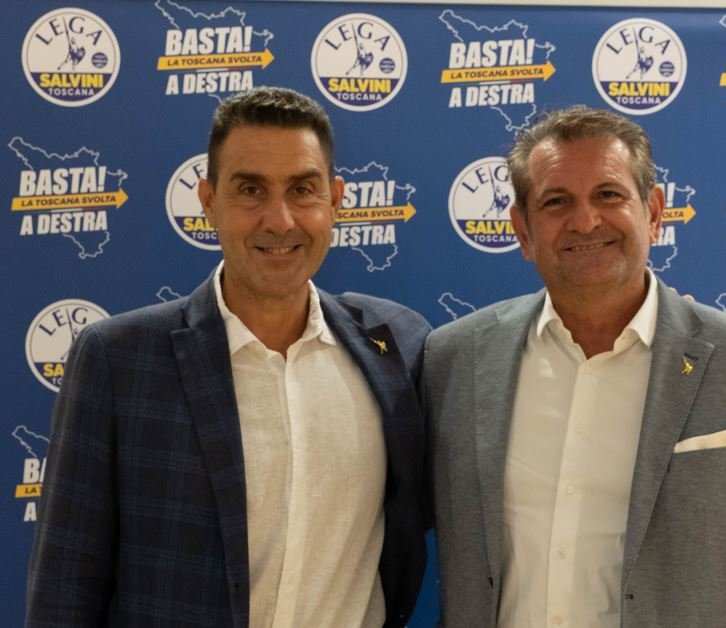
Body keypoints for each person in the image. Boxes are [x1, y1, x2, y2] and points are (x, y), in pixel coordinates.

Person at [26, 87, 429, 628]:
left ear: (335, 201)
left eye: (302, 189)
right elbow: (64, 587)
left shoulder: (398, 344)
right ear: (209, 201)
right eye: (250, 190)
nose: (279, 220)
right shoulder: (118, 361)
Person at [423, 105, 726, 627]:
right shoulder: (454, 360)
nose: (585, 221)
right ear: (522, 231)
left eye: (608, 194)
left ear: (654, 213)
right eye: (556, 201)